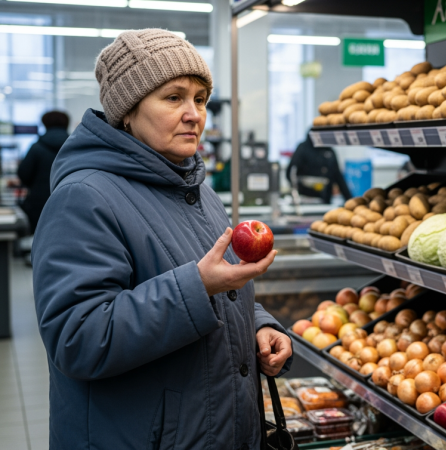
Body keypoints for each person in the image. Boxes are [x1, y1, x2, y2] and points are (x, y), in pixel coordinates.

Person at [32, 29, 293, 450]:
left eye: (200, 99)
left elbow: (217, 284)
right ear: (128, 111)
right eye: (174, 98)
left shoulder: (197, 190)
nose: (194, 114)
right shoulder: (84, 198)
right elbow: (76, 338)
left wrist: (258, 325)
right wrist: (198, 285)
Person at [17, 110, 70, 232]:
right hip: (69, 200)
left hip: (39, 204)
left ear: (45, 124)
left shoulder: (37, 148)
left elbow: (23, 174)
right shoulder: (76, 146)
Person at [286, 132, 352, 203]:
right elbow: (290, 172)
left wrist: (350, 199)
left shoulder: (329, 151)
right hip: (304, 199)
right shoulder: (303, 148)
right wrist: (295, 190)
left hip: (325, 199)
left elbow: (338, 176)